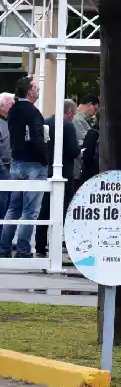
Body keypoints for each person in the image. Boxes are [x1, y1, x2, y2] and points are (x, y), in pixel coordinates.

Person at [0, 77, 45, 259]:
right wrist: (45, 158)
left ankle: (4, 248)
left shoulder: (13, 111)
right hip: (33, 164)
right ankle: (23, 250)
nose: (39, 91)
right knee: (30, 211)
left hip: (15, 163)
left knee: (14, 207)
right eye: (37, 89)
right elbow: (37, 138)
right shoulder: (33, 113)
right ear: (30, 92)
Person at [35, 100, 81, 257]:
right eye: (73, 114)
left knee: (45, 209)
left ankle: (40, 246)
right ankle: (64, 242)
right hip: (64, 172)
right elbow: (73, 150)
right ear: (69, 112)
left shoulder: (45, 122)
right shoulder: (67, 126)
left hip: (46, 170)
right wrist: (80, 151)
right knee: (66, 208)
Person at [0, 92, 12, 223]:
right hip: (3, 168)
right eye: (11, 104)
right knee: (2, 206)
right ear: (2, 106)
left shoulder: (9, 122)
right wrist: (3, 170)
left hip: (9, 167)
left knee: (8, 206)